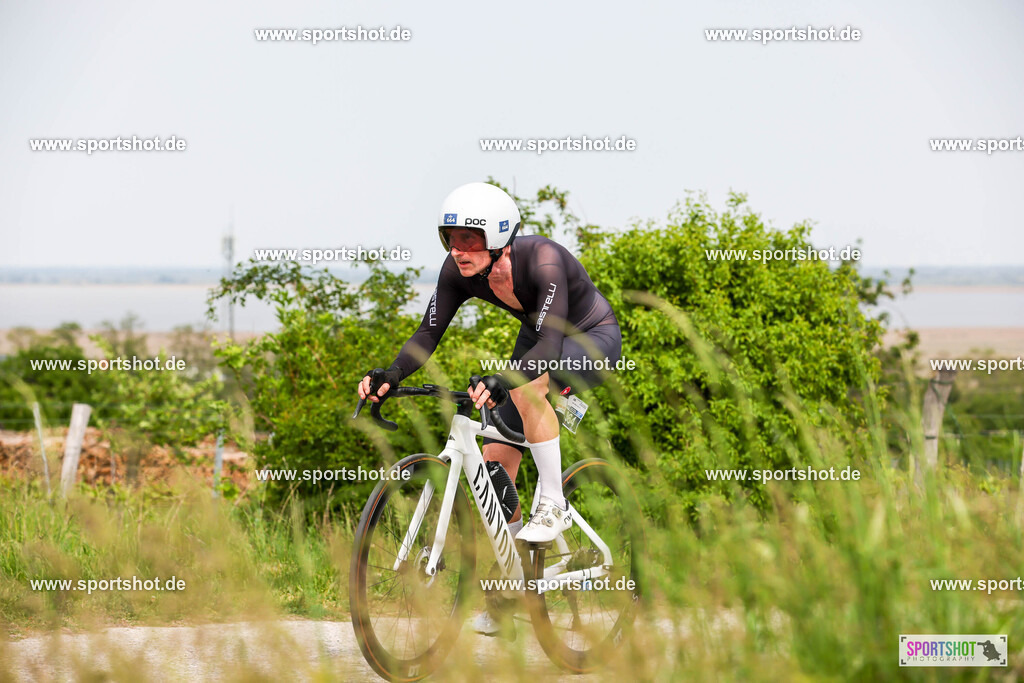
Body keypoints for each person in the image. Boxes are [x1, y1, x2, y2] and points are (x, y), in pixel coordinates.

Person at [357, 182, 621, 632]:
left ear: (499, 237)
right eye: (450, 238)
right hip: (539, 337)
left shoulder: (543, 262)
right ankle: (514, 587)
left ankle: (554, 504)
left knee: (523, 387)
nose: (459, 250)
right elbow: (427, 334)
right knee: (497, 466)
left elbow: (551, 346)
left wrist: (508, 378)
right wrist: (392, 374)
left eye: (470, 239)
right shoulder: (458, 271)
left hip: (589, 337)